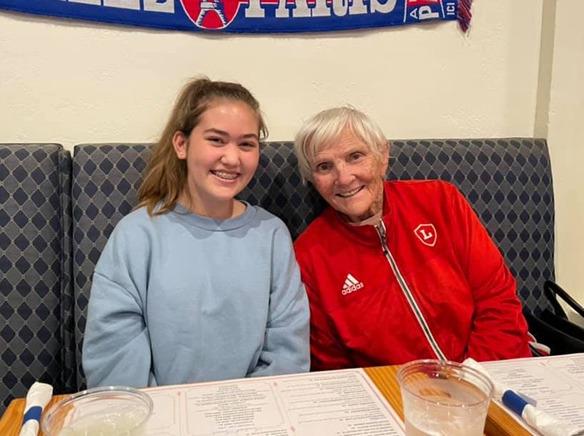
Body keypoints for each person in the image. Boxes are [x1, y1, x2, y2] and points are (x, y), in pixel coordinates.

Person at [82, 77, 310, 388]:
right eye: (216, 140)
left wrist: (239, 410)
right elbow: (114, 357)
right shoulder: (136, 234)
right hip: (156, 413)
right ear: (181, 144)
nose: (232, 158)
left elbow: (288, 352)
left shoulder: (271, 235)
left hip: (255, 411)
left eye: (246, 144)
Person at [293, 106, 532, 371]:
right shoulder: (308, 257)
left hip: (494, 374)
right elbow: (333, 367)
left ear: (382, 155)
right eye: (324, 166)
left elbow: (498, 302)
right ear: (312, 178)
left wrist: (468, 381)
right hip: (398, 391)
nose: (344, 177)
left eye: (355, 156)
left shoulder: (441, 201)